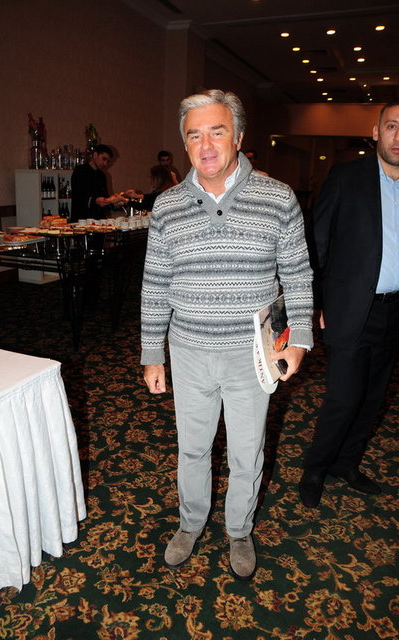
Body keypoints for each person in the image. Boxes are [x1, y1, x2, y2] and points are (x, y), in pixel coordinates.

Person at [141, 89, 313, 580]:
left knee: (246, 451)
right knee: (192, 448)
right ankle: (190, 523)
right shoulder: (167, 206)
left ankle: (239, 530)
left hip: (250, 355)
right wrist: (152, 353)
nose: (206, 145)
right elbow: (155, 284)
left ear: (238, 136)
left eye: (217, 132)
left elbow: (297, 274)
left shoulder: (278, 198)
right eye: (194, 135)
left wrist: (299, 338)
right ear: (184, 143)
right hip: (189, 352)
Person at [299, 102, 399, 509]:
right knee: (343, 398)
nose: (398, 136)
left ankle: (347, 463)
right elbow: (317, 243)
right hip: (350, 308)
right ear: (376, 133)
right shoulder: (346, 176)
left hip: (395, 312)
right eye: (392, 126)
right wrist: (315, 302)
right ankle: (315, 469)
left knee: (373, 397)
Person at [70, 144, 127, 222]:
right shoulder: (80, 171)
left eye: (107, 161)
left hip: (99, 221)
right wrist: (95, 201)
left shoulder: (102, 175)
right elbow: (77, 196)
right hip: (81, 220)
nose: (105, 164)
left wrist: (115, 203)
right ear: (95, 155)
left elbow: (105, 198)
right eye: (103, 159)